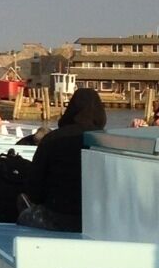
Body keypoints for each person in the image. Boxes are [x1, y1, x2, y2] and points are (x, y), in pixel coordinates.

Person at [18, 87, 107, 232]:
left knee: (24, 212)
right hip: (97, 220)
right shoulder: (107, 141)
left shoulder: (52, 139)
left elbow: (34, 187)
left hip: (56, 217)